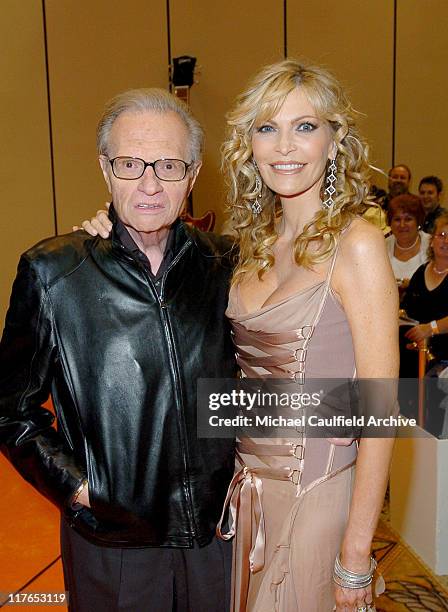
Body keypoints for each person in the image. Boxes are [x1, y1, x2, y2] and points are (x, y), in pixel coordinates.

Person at [0, 88, 238, 612]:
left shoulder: (228, 267)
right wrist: (83, 488)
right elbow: (10, 411)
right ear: (105, 169)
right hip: (114, 545)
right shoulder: (53, 273)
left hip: (220, 539)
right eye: (130, 164)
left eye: (168, 166)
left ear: (193, 175)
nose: (149, 183)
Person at [217, 59, 398, 612]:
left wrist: (356, 554)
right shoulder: (247, 244)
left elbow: (383, 408)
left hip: (316, 501)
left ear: (335, 139)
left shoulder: (359, 244)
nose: (284, 147)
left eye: (305, 126)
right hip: (249, 498)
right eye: (267, 127)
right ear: (249, 144)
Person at [385, 194, 430, 297]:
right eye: (397, 219)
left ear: (418, 221)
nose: (402, 225)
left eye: (408, 219)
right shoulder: (381, 246)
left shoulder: (431, 245)